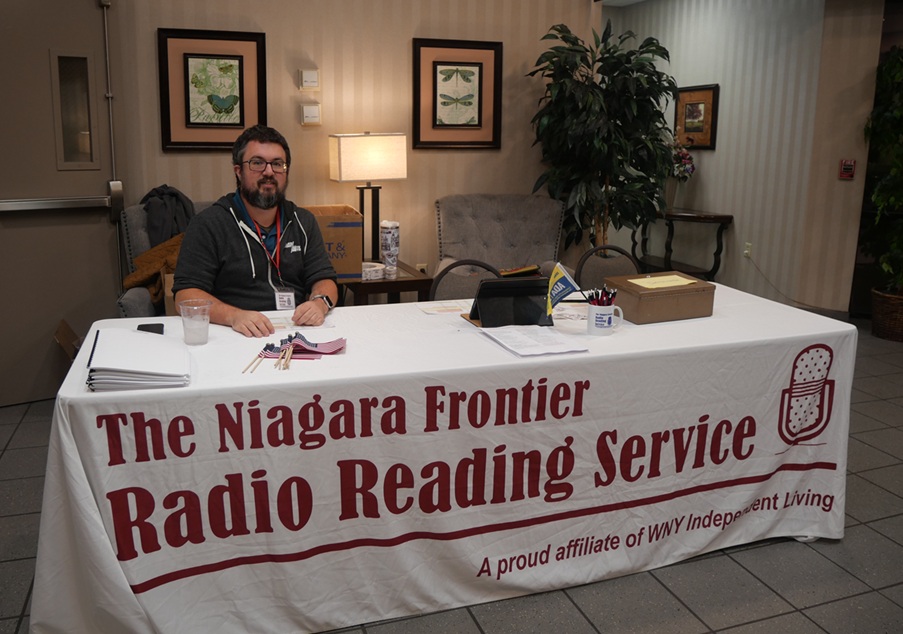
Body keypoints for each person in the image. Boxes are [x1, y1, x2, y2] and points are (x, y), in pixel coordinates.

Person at [173, 125, 338, 337]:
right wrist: (235, 316)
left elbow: (325, 279)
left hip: (295, 330)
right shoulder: (208, 224)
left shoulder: (303, 221)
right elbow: (185, 296)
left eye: (277, 164)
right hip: (233, 332)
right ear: (238, 171)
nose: (269, 172)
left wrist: (319, 304)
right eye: (257, 163)